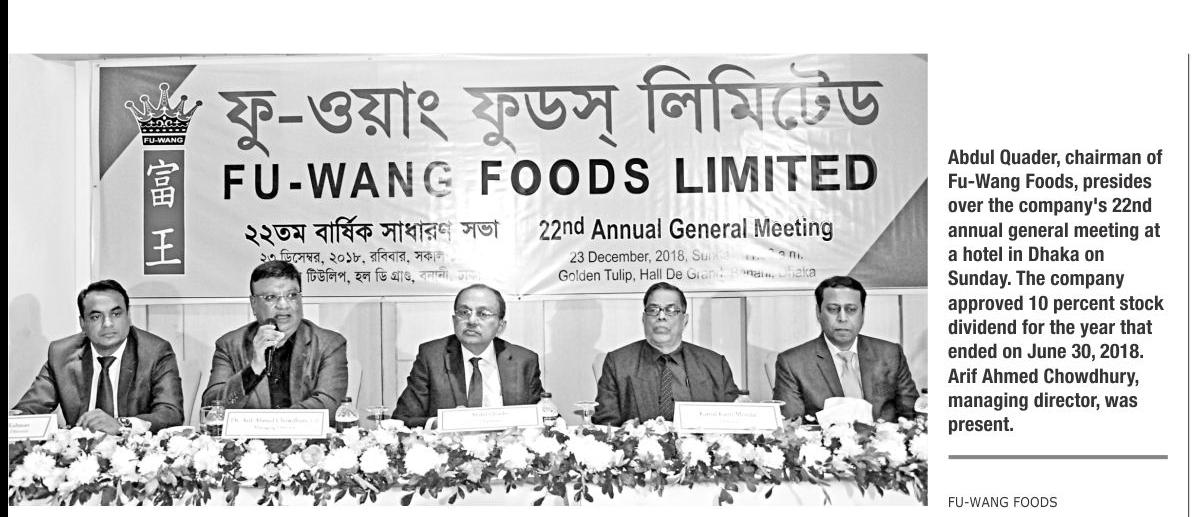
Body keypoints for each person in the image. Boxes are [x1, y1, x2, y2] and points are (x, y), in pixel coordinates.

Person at [12, 279, 184, 434]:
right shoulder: (61, 354)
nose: (107, 324)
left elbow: (170, 413)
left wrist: (121, 424)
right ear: (83, 323)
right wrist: (16, 422)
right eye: (96, 317)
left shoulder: (154, 351)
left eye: (116, 314)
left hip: (135, 452)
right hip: (79, 454)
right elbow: (30, 409)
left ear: (128, 316)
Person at [203, 261, 348, 422]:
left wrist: (271, 425)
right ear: (254, 304)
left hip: (304, 438)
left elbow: (328, 405)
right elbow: (211, 409)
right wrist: (253, 369)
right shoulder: (230, 345)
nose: (283, 305)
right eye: (270, 297)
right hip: (246, 438)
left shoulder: (329, 344)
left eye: (292, 295)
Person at [392, 284, 544, 427]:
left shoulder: (524, 361)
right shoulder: (432, 356)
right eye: (464, 312)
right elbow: (402, 420)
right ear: (454, 320)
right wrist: (443, 424)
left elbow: (542, 417)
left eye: (483, 314)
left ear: (500, 325)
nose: (471, 321)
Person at [773, 275, 919, 423]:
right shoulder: (793, 363)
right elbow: (791, 426)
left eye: (851, 309)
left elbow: (913, 416)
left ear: (863, 313)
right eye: (833, 309)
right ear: (818, 312)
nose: (842, 318)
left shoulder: (890, 354)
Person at [592, 282, 741, 426]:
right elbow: (605, 426)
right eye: (653, 310)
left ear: (685, 320)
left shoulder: (715, 365)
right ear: (644, 319)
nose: (661, 316)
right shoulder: (618, 363)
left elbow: (736, 421)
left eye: (671, 310)